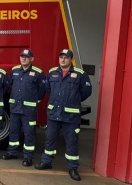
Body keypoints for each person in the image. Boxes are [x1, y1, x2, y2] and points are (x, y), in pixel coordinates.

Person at [35, 49, 92, 181]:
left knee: (71, 142)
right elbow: (48, 89)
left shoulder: (80, 74)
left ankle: (72, 168)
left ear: (71, 59)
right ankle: (46, 162)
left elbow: (86, 92)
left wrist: (73, 101)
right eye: (61, 57)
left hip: (71, 116)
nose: (63, 60)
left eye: (66, 57)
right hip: (54, 113)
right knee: (49, 138)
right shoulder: (52, 72)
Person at [2, 49, 46, 166]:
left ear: (32, 59)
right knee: (13, 131)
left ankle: (28, 157)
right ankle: (12, 152)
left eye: (27, 57)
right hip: (15, 108)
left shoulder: (38, 73)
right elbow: (9, 85)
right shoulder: (15, 70)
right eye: (22, 56)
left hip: (29, 110)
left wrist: (37, 99)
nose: (24, 58)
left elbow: (44, 87)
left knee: (29, 133)